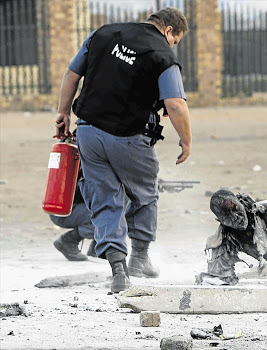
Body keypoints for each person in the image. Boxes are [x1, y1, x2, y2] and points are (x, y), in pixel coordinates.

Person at [53, 7, 192, 293]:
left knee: (105, 199)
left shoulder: (103, 33)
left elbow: (71, 73)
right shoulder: (163, 55)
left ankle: (118, 272)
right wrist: (186, 140)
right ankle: (139, 259)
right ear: (168, 31)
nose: (172, 46)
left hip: (88, 132)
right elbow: (176, 104)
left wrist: (64, 113)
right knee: (144, 193)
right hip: (129, 137)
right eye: (174, 40)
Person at [51, 166, 97, 261]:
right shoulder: (88, 161)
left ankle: (99, 248)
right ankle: (68, 240)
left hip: (61, 209)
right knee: (108, 214)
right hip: (64, 211)